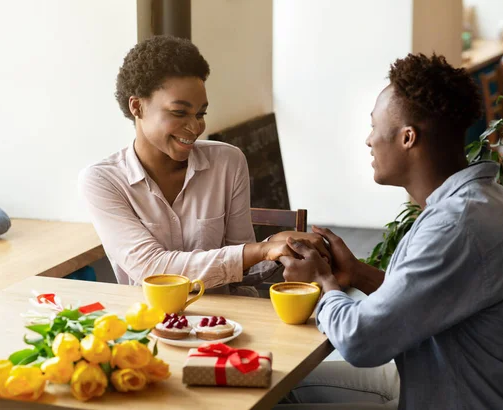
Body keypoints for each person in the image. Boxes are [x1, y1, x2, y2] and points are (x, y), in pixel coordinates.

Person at [277, 54, 503, 409]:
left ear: (408, 137)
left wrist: (323, 280)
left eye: (374, 127)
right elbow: (427, 298)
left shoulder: (456, 225)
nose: (368, 140)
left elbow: (361, 341)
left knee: (270, 399)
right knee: (280, 384)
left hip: (458, 398)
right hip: (440, 375)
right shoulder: (494, 202)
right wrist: (356, 273)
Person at [79, 35, 327, 295]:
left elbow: (243, 268)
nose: (195, 126)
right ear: (137, 106)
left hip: (230, 323)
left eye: (201, 113)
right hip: (152, 324)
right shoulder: (102, 181)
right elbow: (152, 270)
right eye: (179, 112)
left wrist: (280, 247)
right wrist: (261, 251)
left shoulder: (228, 162)